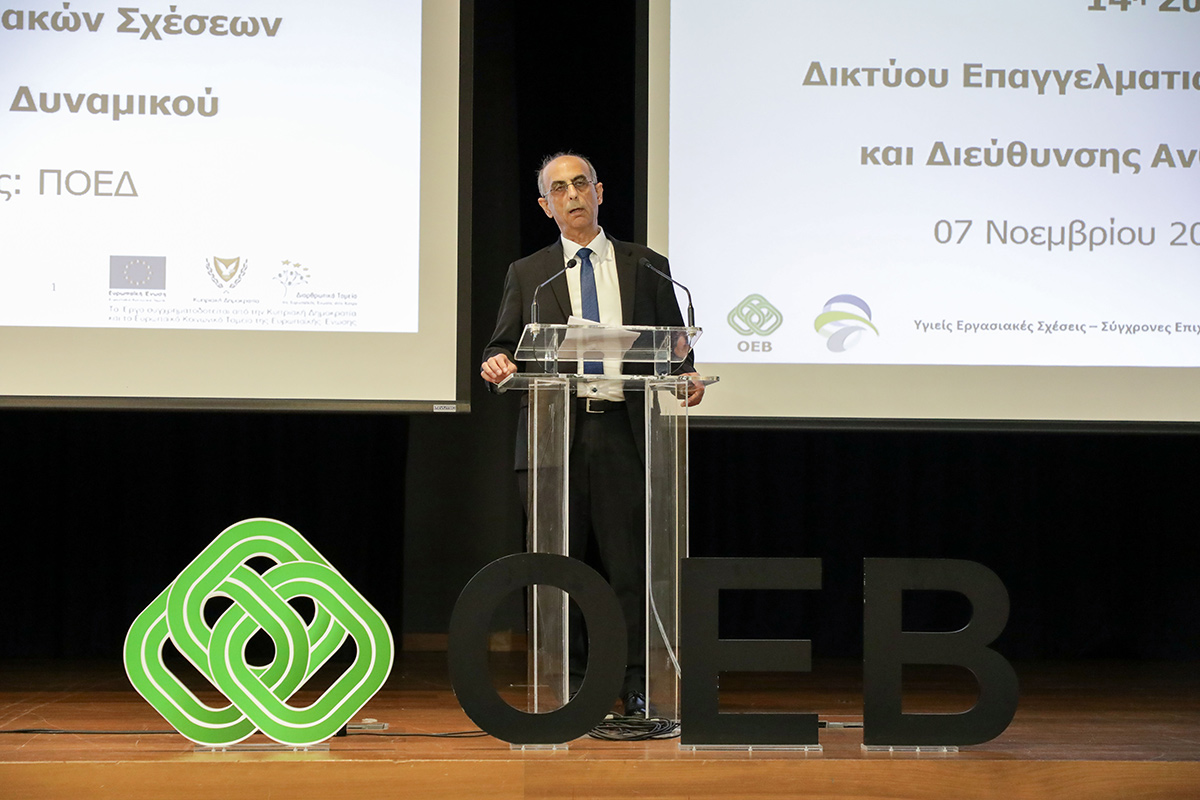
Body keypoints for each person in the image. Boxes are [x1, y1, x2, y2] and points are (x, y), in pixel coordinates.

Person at [481, 153, 704, 718]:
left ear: (599, 192)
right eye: (559, 188)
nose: (573, 195)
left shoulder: (647, 266)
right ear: (546, 205)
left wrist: (687, 376)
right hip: (556, 437)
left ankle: (634, 681)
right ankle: (575, 683)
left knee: (629, 568)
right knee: (562, 567)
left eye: (580, 183)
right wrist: (498, 363)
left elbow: (676, 349)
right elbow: (502, 345)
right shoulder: (529, 274)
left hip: (623, 433)